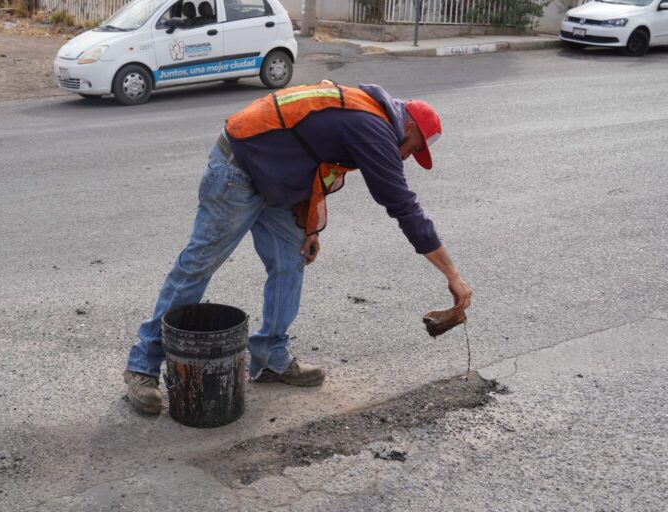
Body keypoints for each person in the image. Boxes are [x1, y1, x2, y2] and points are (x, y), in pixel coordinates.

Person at [124, 80, 473, 415]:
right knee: (198, 264)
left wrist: (310, 226)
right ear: (408, 126)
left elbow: (314, 159)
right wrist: (453, 276)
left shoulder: (367, 116)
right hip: (238, 171)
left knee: (291, 261)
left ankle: (270, 358)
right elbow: (404, 207)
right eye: (414, 148)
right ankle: (142, 366)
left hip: (275, 178)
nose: (409, 156)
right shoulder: (374, 128)